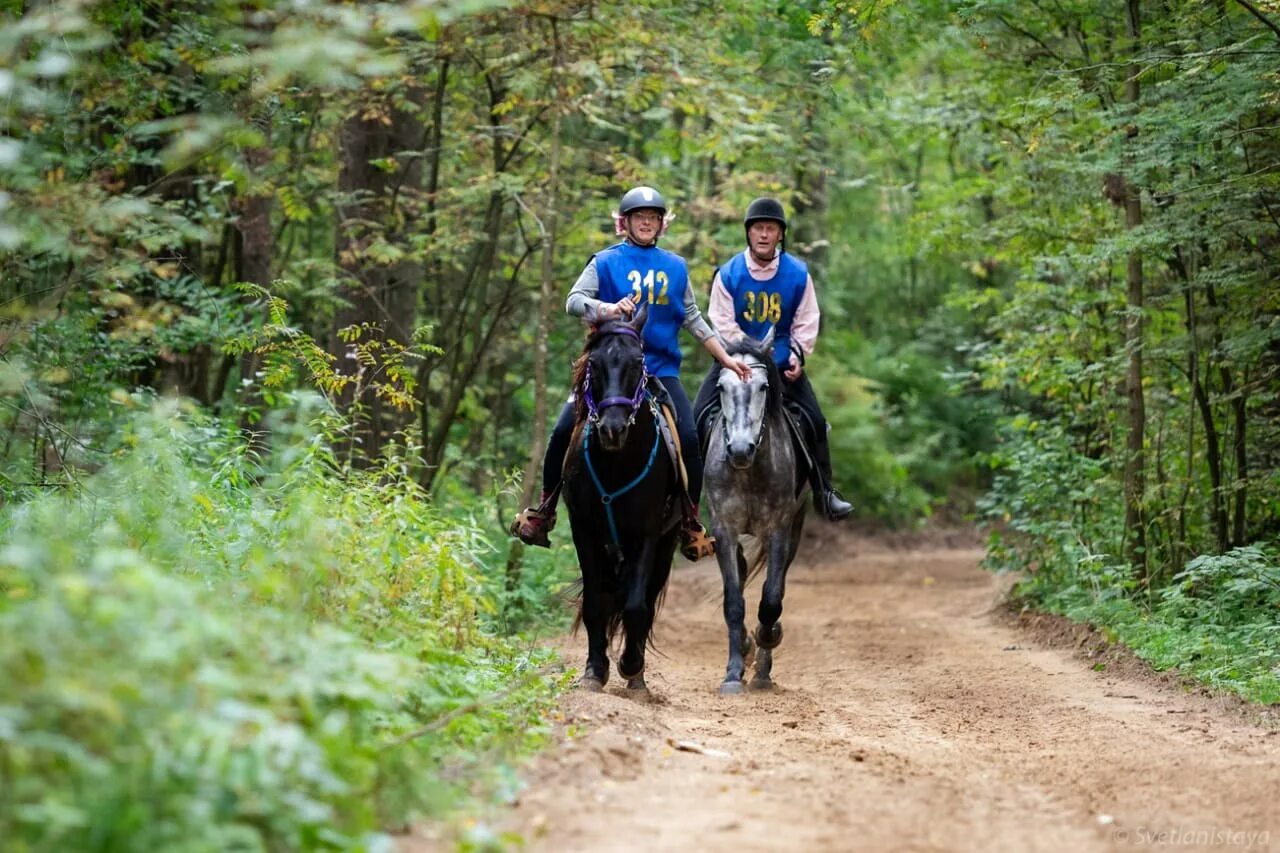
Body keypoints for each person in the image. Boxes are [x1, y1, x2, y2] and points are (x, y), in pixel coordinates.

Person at [512, 186, 752, 558]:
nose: (646, 222)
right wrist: (606, 308)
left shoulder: (675, 266)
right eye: (639, 217)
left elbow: (693, 318)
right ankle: (544, 511)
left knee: (688, 438)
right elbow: (573, 302)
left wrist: (727, 359)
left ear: (661, 225)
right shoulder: (604, 262)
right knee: (563, 430)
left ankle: (690, 521)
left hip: (658, 370)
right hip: (607, 372)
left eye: (653, 218)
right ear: (624, 223)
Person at [694, 197, 853, 521]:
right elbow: (722, 321)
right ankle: (690, 503)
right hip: (732, 361)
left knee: (816, 422)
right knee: (696, 418)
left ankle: (825, 492)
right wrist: (744, 356)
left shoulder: (797, 274)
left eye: (771, 229)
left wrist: (797, 354)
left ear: (780, 235)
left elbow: (807, 319)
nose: (764, 235)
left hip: (780, 364)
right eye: (758, 229)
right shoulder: (729, 273)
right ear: (749, 234)